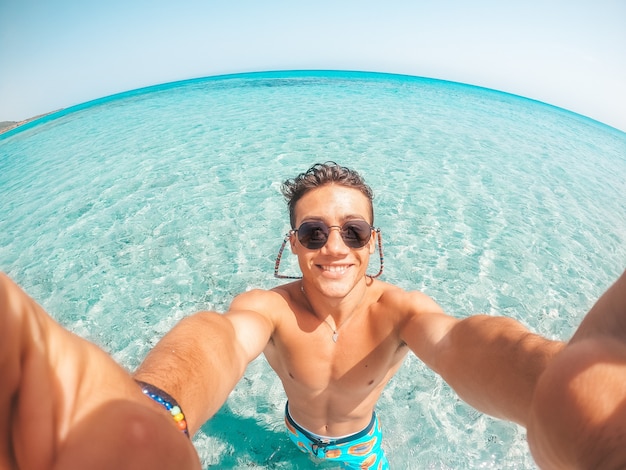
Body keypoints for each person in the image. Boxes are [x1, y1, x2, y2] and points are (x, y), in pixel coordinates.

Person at [2, 162, 625, 469]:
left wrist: (556, 383)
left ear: (373, 243)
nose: (334, 246)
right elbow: (215, 337)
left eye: (353, 231)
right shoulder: (270, 309)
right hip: (295, 437)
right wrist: (155, 409)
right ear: (294, 243)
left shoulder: (400, 313)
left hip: (362, 449)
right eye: (314, 230)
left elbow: (468, 342)